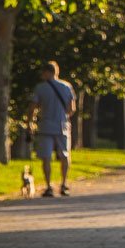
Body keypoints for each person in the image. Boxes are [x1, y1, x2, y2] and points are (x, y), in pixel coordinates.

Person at [25, 60, 76, 197]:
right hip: (62, 126)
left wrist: (30, 122)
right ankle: (64, 184)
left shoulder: (40, 88)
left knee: (46, 157)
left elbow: (32, 108)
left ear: (47, 73)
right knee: (64, 155)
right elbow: (71, 109)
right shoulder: (67, 87)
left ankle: (48, 186)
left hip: (45, 127)